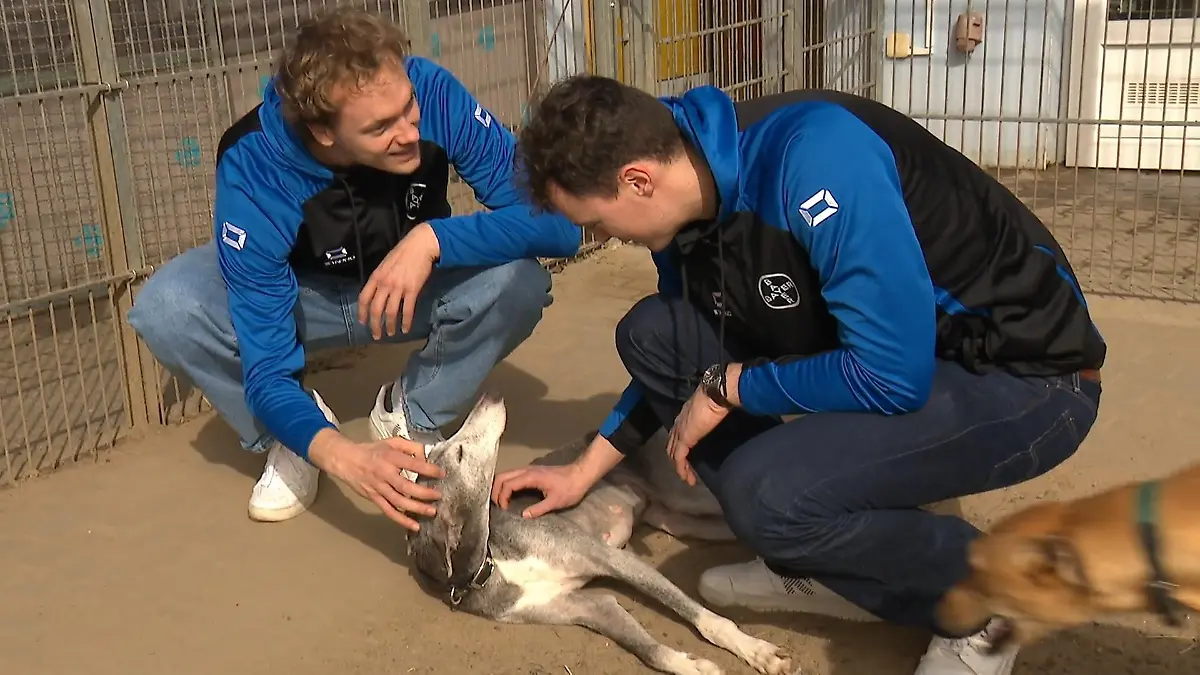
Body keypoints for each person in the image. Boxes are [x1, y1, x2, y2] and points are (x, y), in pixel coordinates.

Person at [491, 76, 1105, 675]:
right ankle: (826, 555)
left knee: (773, 498)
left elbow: (891, 374)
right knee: (655, 334)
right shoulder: (685, 200)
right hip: (892, 360)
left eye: (595, 223)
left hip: (1025, 377)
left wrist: (731, 385)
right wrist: (583, 470)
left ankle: (984, 603)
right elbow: (682, 352)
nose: (599, 238)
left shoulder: (815, 158)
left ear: (638, 180)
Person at [126, 7, 581, 529]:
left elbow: (560, 225)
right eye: (381, 127)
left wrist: (433, 238)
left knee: (520, 281)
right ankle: (295, 438)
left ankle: (412, 417)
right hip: (302, 299)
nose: (409, 131)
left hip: (407, 287)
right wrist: (342, 455)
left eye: (407, 109)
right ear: (322, 130)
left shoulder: (430, 91)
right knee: (167, 306)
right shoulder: (254, 163)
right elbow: (268, 366)